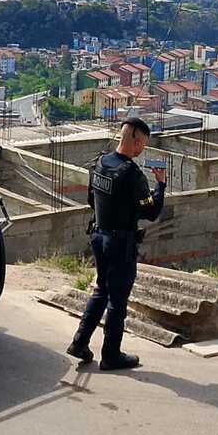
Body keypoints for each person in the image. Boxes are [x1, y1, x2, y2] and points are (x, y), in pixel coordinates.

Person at [67, 117, 166, 371]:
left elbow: (92, 199)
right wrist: (161, 185)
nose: (142, 149)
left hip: (99, 236)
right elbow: (151, 212)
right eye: (143, 143)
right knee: (118, 299)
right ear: (135, 140)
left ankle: (80, 341)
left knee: (101, 289)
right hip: (120, 243)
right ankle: (111, 354)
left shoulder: (100, 162)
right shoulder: (133, 174)